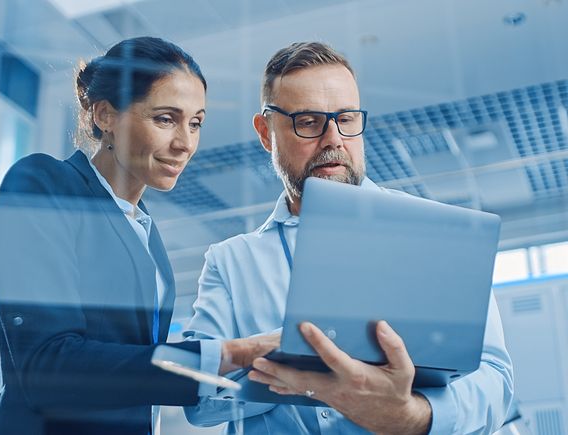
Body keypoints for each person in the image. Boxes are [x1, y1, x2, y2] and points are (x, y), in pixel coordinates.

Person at [184, 42, 514, 434]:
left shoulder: (437, 237)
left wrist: (411, 415)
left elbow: (496, 382)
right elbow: (196, 399)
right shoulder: (231, 261)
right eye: (308, 121)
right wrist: (295, 367)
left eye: (346, 118)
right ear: (266, 133)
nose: (333, 138)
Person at [0, 36, 277, 435]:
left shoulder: (146, 232)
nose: (185, 143)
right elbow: (48, 366)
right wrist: (228, 354)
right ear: (105, 115)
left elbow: (136, 374)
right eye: (165, 119)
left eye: (195, 123)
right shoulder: (45, 184)